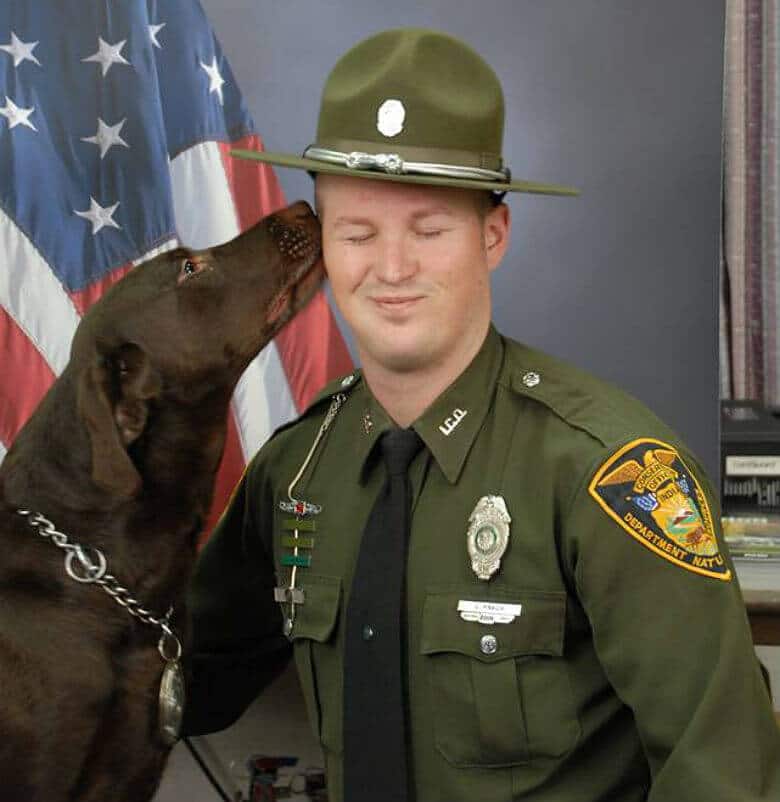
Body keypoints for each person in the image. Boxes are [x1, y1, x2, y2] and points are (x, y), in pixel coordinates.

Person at [182, 27, 780, 802]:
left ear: (492, 236)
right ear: (323, 245)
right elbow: (185, 686)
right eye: (357, 233)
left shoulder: (611, 473)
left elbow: (723, 775)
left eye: (429, 231)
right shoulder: (299, 468)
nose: (391, 269)